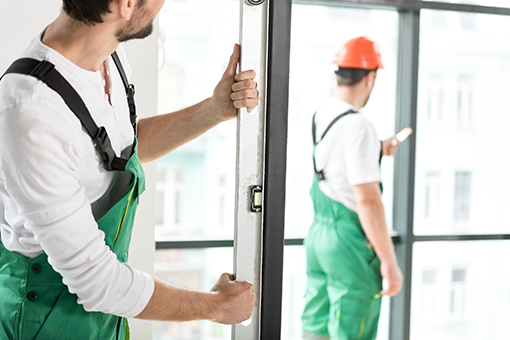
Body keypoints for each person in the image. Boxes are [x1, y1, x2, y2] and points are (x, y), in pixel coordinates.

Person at [0, 0, 259, 339]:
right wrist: (215, 306)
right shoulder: (31, 112)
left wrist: (213, 110)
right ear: (125, 4)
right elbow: (97, 281)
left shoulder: (108, 57)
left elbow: (117, 151)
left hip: (103, 314)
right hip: (43, 319)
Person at [301, 36, 404, 340]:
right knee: (353, 327)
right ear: (370, 78)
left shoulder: (324, 113)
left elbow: (336, 161)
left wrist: (375, 148)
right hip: (348, 241)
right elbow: (369, 203)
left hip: (319, 235)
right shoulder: (360, 126)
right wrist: (389, 261)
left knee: (316, 322)